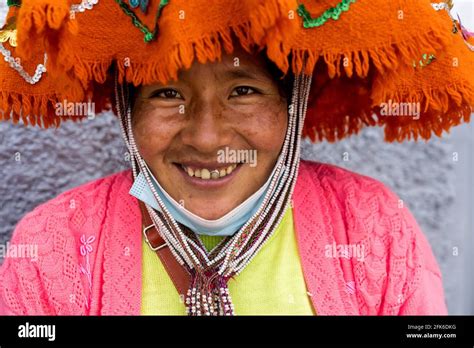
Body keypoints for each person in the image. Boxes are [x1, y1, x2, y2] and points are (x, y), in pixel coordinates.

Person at [1, 0, 472, 315]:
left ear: (293, 103)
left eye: (243, 91)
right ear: (128, 112)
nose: (207, 139)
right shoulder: (50, 246)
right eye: (167, 93)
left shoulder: (375, 228)